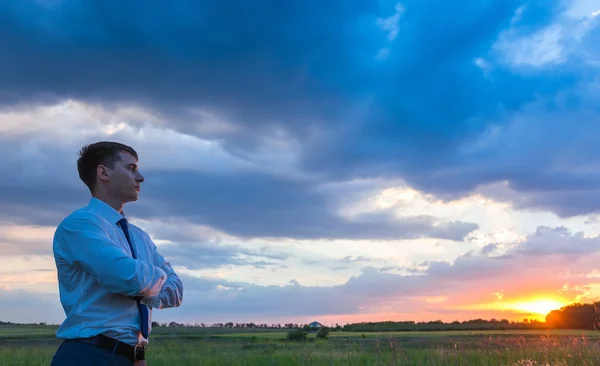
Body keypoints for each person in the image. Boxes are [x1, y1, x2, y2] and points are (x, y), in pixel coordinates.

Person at [50, 141, 184, 365]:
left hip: (131, 358)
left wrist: (138, 356)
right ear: (103, 172)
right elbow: (126, 277)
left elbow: (176, 291)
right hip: (89, 355)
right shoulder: (80, 224)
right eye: (131, 169)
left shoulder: (140, 236)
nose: (140, 177)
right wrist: (158, 276)